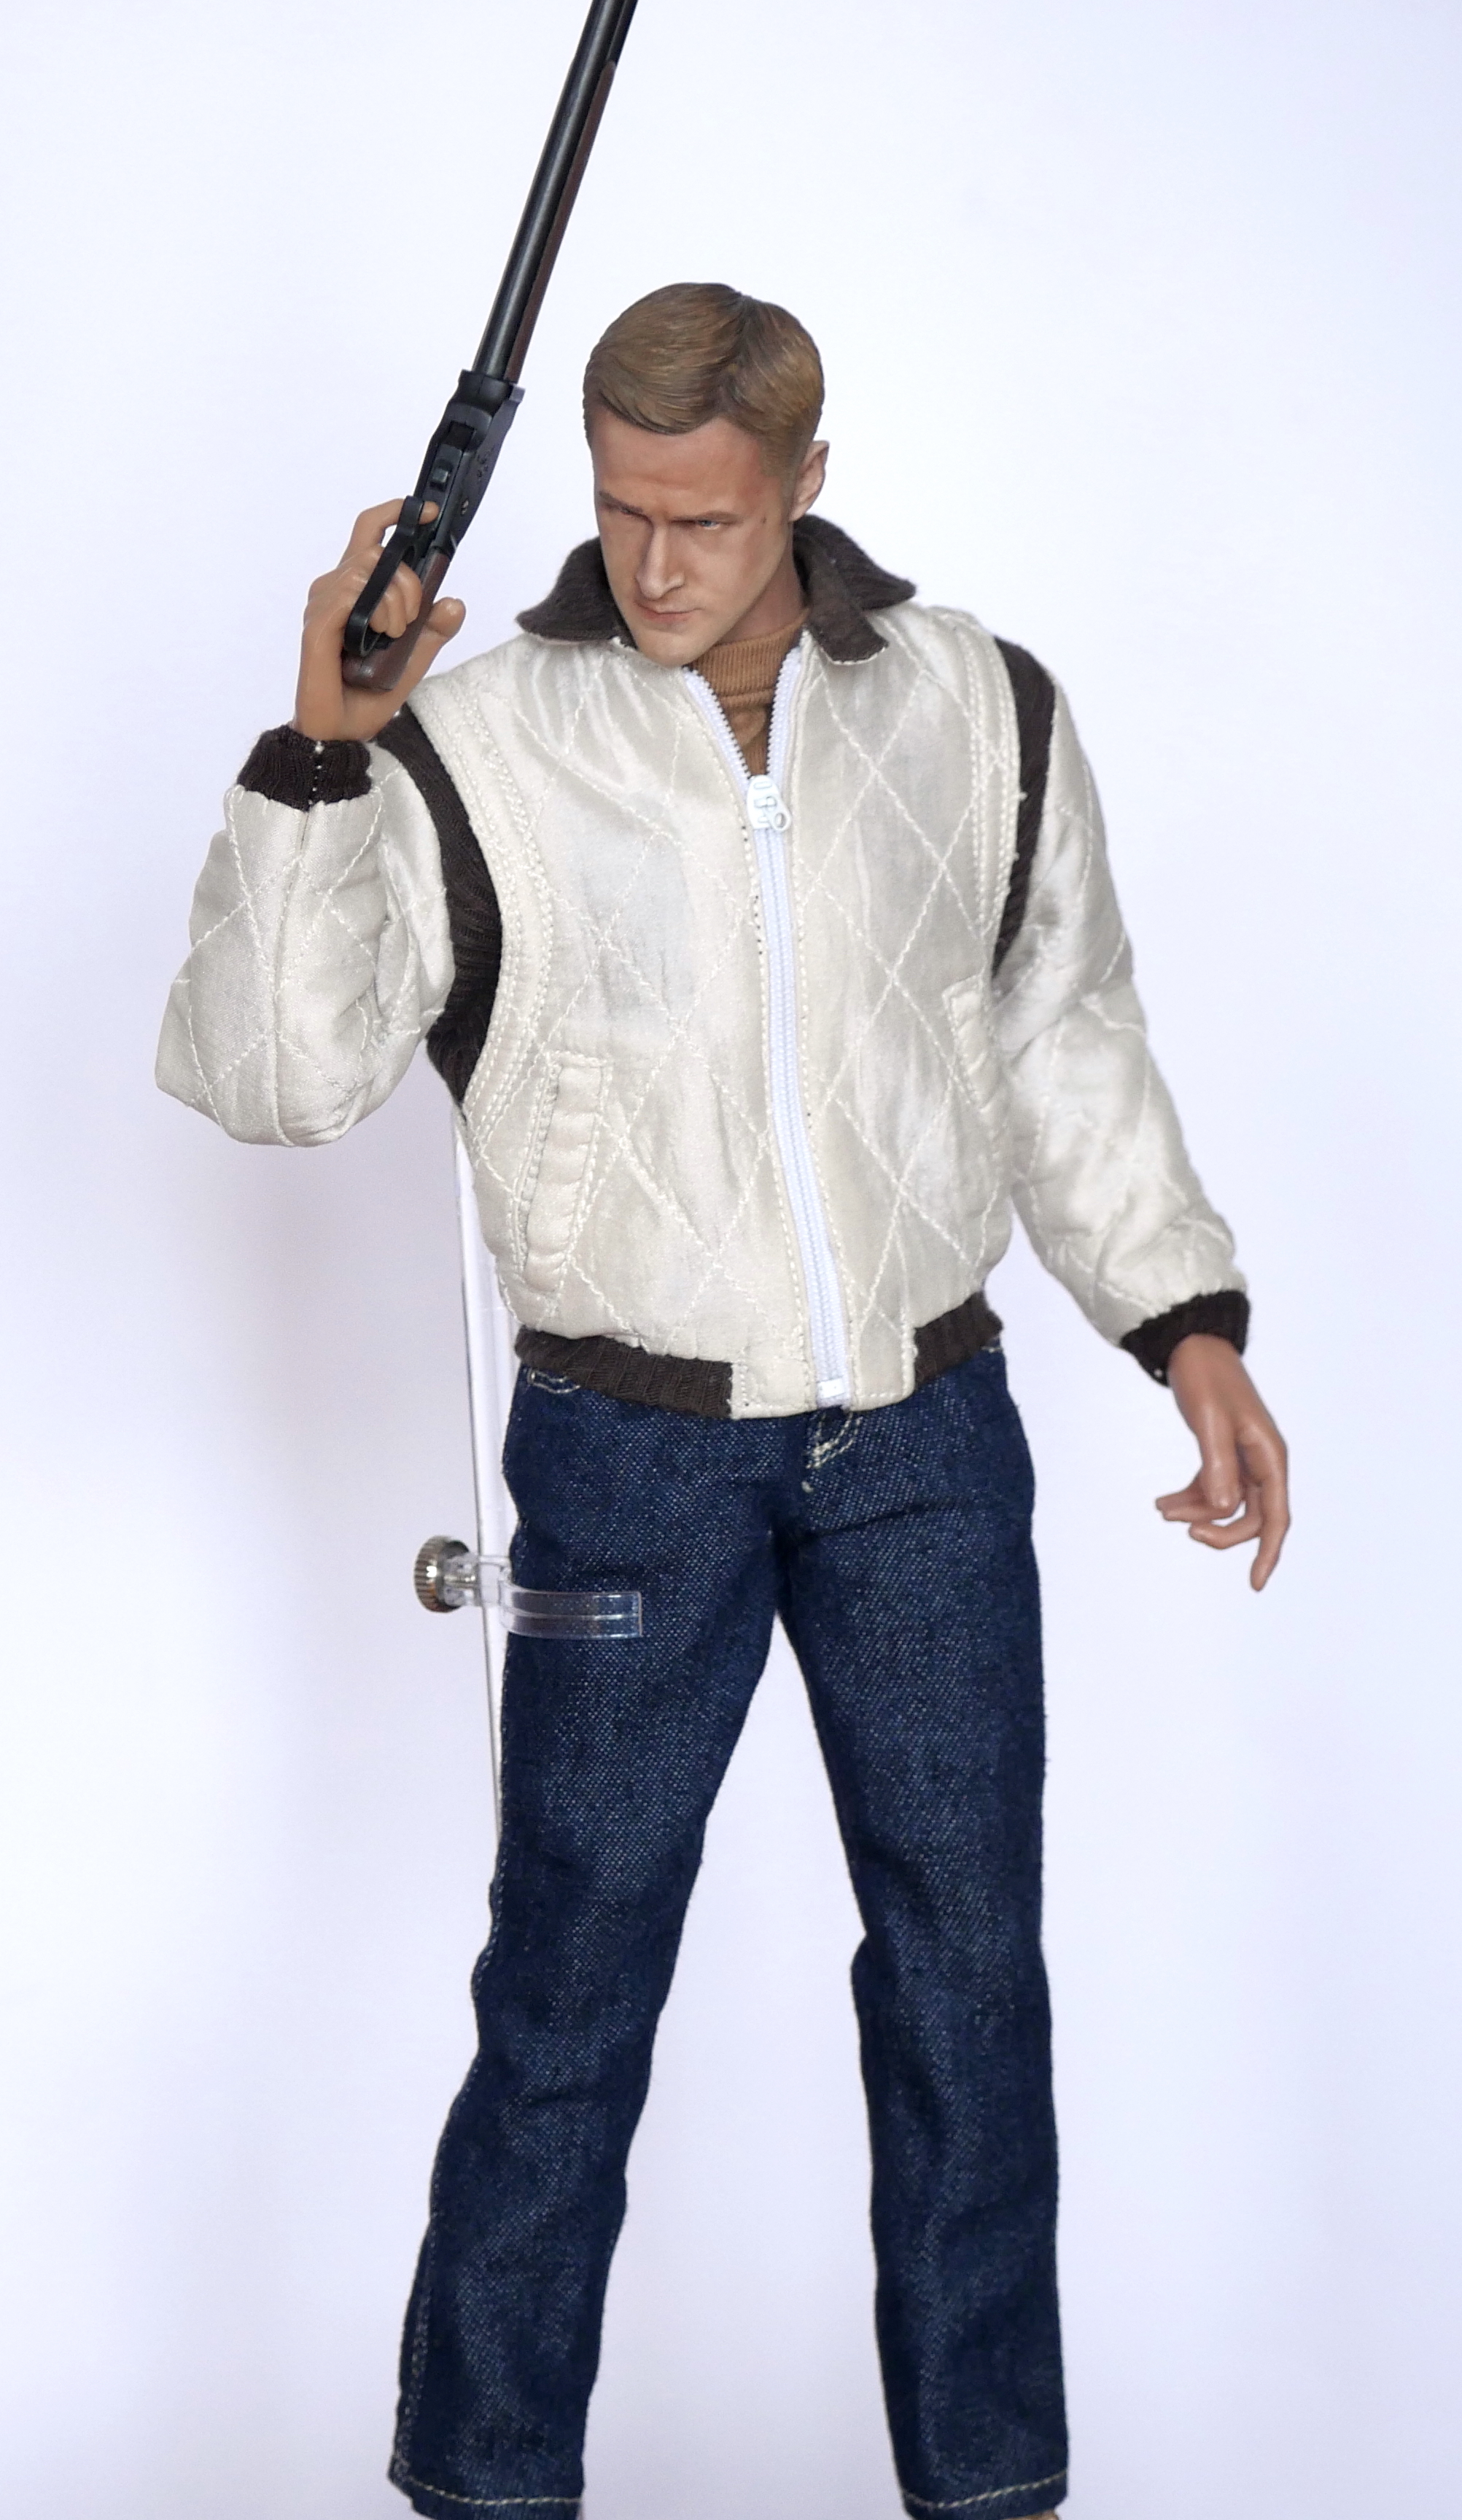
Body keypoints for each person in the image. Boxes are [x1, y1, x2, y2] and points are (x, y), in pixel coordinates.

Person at [158, 282, 1289, 2520]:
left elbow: (1062, 1038)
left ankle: (990, 2489)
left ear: (807, 486)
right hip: (624, 1462)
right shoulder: (483, 741)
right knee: (570, 2001)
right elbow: (276, 1078)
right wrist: (323, 747)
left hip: (928, 1448)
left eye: (706, 518)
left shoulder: (972, 706)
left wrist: (1188, 1323)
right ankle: (489, 2485)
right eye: (619, 512)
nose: (655, 564)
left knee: (970, 1996)